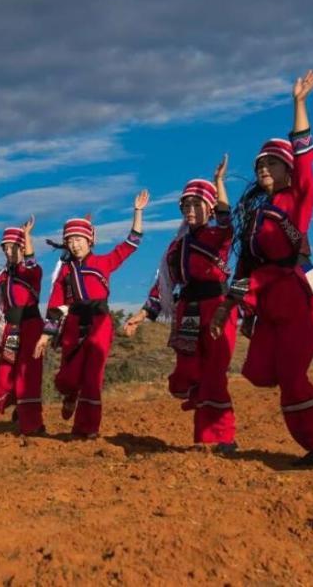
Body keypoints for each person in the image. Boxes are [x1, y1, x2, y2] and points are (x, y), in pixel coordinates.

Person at [211, 71, 313, 466]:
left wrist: (299, 104)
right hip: (266, 304)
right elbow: (244, 262)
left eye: (272, 162)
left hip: (298, 297)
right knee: (259, 372)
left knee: (292, 379)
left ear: (287, 170)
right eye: (260, 162)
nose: (264, 166)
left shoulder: (298, 198)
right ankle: (304, 349)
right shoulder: (254, 216)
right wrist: (226, 306)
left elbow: (306, 158)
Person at [125, 158, 236, 450]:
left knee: (213, 373)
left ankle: (221, 438)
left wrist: (220, 182)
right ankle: (204, 436)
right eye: (185, 205)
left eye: (196, 204)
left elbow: (227, 218)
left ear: (209, 208)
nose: (190, 210)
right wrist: (142, 315)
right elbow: (164, 283)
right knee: (190, 373)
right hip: (187, 309)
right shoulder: (176, 247)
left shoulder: (218, 235)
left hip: (216, 306)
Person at [40, 191, 148, 439]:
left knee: (92, 378)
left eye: (80, 238)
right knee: (67, 378)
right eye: (71, 239)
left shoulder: (104, 262)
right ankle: (70, 395)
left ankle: (86, 429)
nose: (75, 243)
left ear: (90, 241)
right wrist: (45, 336)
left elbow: (132, 242)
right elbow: (55, 306)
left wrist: (138, 212)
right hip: (73, 324)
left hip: (100, 323)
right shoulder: (64, 273)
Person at [0, 218, 46, 436]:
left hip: (31, 326)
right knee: (6, 373)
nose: (9, 251)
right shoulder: (4, 278)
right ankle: (19, 406)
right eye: (6, 248)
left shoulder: (32, 272)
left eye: (13, 247)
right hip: (12, 329)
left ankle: (32, 423)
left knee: (28, 374)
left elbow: (29, 262)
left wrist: (26, 236)